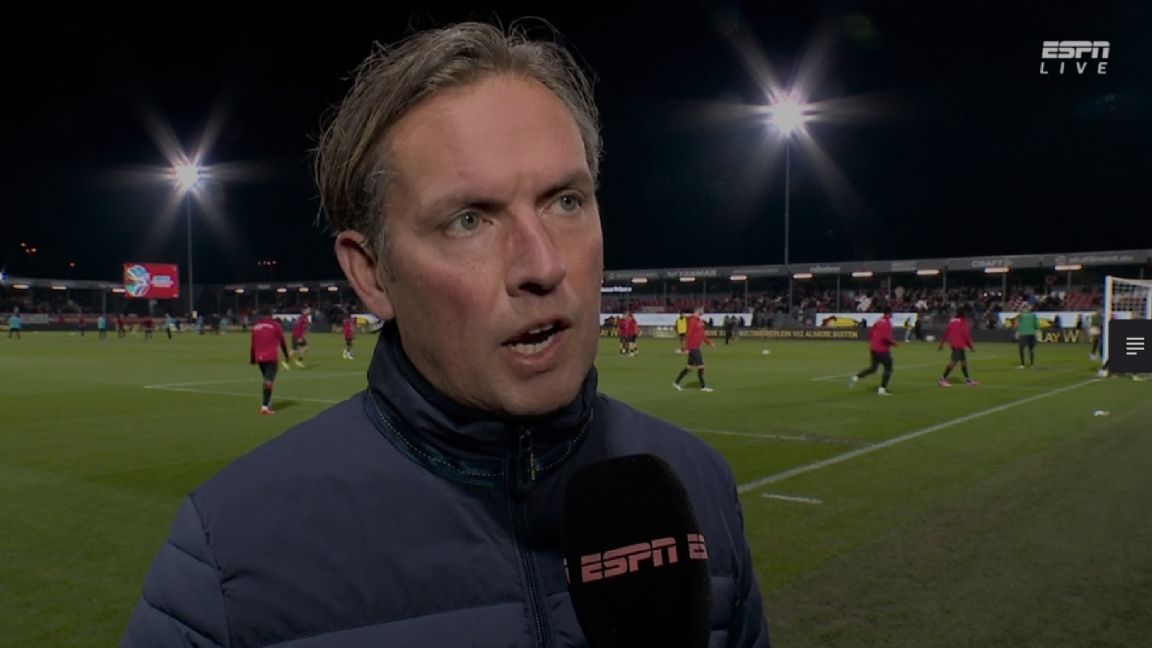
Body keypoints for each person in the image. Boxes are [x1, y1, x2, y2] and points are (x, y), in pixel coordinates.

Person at [123, 21, 769, 647]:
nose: (543, 264)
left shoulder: (699, 487)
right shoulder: (231, 561)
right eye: (469, 220)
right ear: (372, 273)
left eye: (565, 201)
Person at [248, 306, 292, 416]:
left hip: (259, 358)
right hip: (271, 357)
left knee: (267, 379)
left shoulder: (256, 327)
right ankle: (265, 407)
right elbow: (282, 341)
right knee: (268, 381)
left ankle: (267, 402)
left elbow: (253, 344)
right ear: (270, 314)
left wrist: (253, 358)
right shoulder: (275, 325)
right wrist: (287, 355)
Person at [850, 306, 899, 395]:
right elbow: (885, 337)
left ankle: (856, 377)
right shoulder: (887, 322)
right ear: (889, 313)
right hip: (882, 350)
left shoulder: (878, 320)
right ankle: (882, 389)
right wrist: (893, 343)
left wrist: (875, 342)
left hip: (874, 348)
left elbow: (871, 333)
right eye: (892, 312)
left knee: (873, 368)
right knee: (888, 369)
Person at [673, 307, 718, 392]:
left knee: (689, 367)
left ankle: (676, 383)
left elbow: (702, 335)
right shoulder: (692, 320)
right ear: (697, 310)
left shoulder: (700, 321)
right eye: (702, 310)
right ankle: (703, 387)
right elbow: (688, 334)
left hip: (696, 347)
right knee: (701, 366)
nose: (703, 311)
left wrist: (709, 343)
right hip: (693, 348)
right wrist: (687, 348)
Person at [938, 308, 978, 387]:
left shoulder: (952, 321)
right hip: (959, 345)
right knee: (953, 362)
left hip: (954, 344)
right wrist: (971, 347)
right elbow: (966, 336)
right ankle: (942, 379)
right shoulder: (963, 322)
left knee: (964, 362)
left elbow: (946, 332)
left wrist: (941, 344)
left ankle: (968, 380)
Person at [1014, 303, 1040, 369]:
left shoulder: (1020, 316)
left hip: (1023, 334)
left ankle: (1022, 365)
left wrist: (1017, 332)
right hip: (1032, 333)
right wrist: (1037, 332)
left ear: (1022, 309)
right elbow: (1037, 326)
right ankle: (1032, 365)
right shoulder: (1033, 315)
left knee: (1021, 348)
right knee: (1031, 349)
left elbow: (1016, 325)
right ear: (1029, 309)